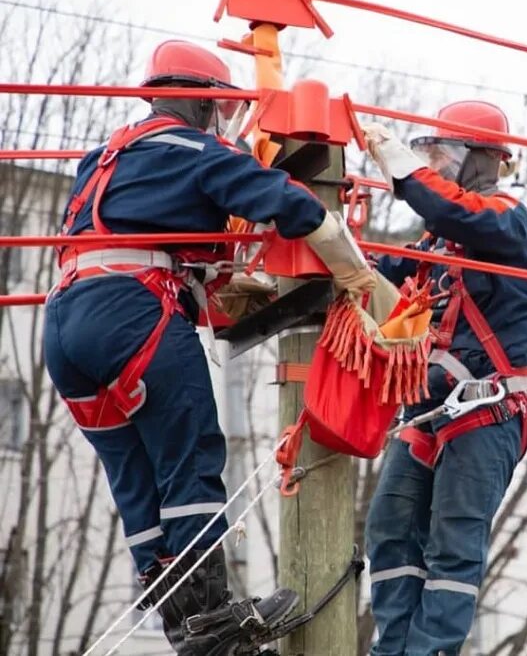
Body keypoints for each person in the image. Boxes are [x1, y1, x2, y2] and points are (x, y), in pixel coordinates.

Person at [42, 39, 375, 655]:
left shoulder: (104, 158)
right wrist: (348, 262)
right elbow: (282, 202)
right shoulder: (195, 148)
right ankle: (215, 618)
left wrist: (211, 275)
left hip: (64, 321)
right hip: (129, 310)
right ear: (204, 102)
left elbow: (139, 232)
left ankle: (184, 630)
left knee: (137, 478)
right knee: (191, 456)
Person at [362, 101, 527, 655]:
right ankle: (393, 650)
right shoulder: (432, 248)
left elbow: (455, 212)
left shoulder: (507, 224)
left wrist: (397, 164)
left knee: (452, 546)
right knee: (389, 531)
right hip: (428, 414)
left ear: (480, 160)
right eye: (427, 154)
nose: (434, 165)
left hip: (486, 414)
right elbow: (368, 272)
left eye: (443, 154)